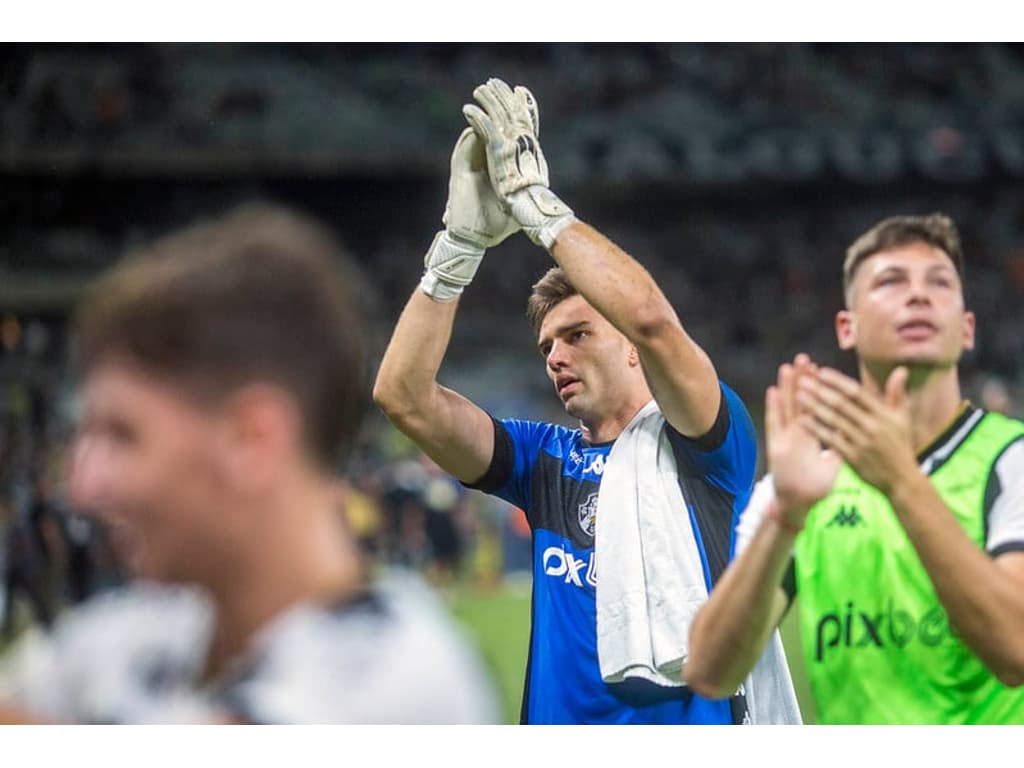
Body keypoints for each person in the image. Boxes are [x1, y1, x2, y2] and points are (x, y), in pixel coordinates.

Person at [374, 77, 799, 724]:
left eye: (577, 334)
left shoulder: (704, 445)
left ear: (632, 348)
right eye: (546, 345)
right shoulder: (542, 461)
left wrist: (536, 206)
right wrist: (455, 252)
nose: (555, 356)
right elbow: (403, 398)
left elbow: (653, 317)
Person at [0, 203, 500, 724]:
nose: (84, 486)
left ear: (252, 440)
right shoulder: (136, 632)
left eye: (123, 435)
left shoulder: (397, 680)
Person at [684, 213, 1024, 723]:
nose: (918, 295)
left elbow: (1015, 650)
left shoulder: (1011, 458)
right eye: (891, 282)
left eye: (939, 282)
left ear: (967, 328)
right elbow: (710, 671)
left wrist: (901, 481)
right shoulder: (803, 485)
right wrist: (786, 516)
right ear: (848, 327)